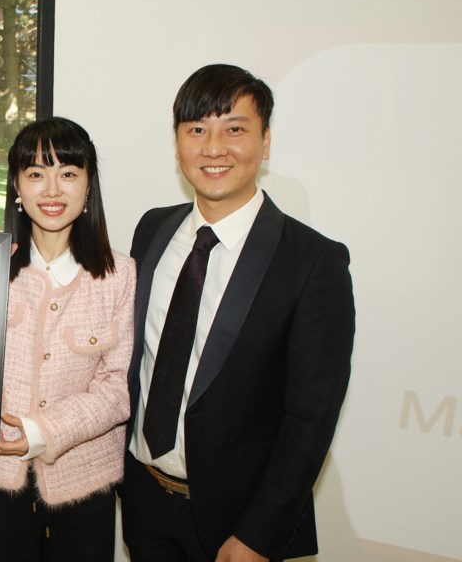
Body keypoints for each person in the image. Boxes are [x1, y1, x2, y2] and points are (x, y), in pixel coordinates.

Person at [120, 64, 356, 561]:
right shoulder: (153, 231)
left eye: (235, 129)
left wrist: (259, 534)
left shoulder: (313, 261)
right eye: (197, 130)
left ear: (265, 141)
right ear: (178, 141)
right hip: (143, 501)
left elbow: (311, 418)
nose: (213, 148)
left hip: (239, 524)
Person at [0, 117, 135, 561]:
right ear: (16, 185)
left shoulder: (120, 274)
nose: (52, 191)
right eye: (36, 174)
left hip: (84, 480)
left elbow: (117, 388)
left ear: (89, 186)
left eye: (68, 174)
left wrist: (40, 431)